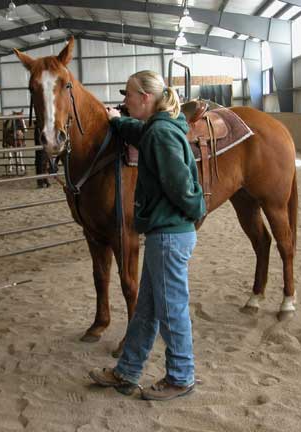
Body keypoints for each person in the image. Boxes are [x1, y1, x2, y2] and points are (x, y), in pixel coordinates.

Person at [88, 70, 206, 401]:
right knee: (147, 310)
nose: (123, 101)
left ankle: (181, 376)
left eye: (127, 95)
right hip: (164, 233)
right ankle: (127, 371)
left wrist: (195, 211)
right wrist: (117, 121)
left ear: (144, 98)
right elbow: (142, 134)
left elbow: (182, 187)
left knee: (171, 310)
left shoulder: (161, 135)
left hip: (169, 234)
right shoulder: (156, 129)